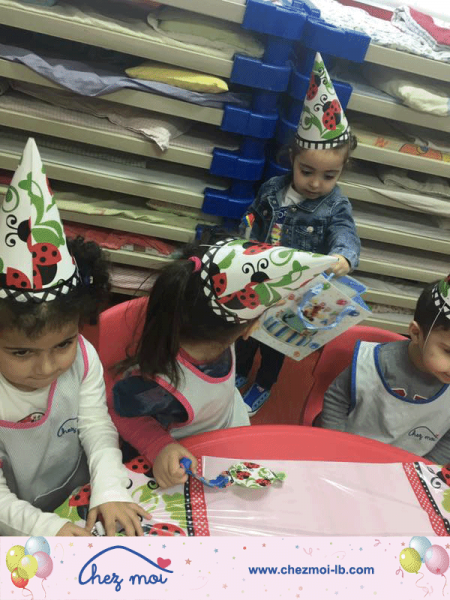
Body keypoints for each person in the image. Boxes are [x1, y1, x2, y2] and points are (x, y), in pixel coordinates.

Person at [0, 138, 148, 536]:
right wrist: (46, 528)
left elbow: (96, 425)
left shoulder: (83, 358)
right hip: (15, 521)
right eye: (21, 352)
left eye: (63, 344)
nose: (48, 367)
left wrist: (110, 487)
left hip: (76, 493)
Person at [111, 237, 337, 488]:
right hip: (185, 454)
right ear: (249, 328)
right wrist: (158, 446)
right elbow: (118, 411)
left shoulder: (218, 329)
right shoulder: (159, 384)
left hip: (225, 428)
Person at [236, 52, 361, 416]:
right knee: (246, 333)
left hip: (299, 289)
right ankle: (238, 372)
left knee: (277, 342)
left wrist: (343, 257)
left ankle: (264, 383)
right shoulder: (272, 188)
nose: (316, 183)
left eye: (329, 176)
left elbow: (346, 232)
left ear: (341, 171)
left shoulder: (335, 205)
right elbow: (252, 220)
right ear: (292, 158)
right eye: (307, 171)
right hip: (261, 278)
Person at [321, 276, 450, 464]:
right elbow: (337, 399)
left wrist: (425, 468)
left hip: (406, 470)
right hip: (347, 456)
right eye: (448, 351)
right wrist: (334, 446)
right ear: (416, 333)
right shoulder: (373, 364)